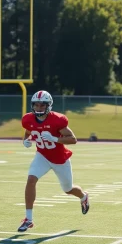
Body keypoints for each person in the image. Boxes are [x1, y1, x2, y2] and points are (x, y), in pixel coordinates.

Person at [18, 90, 89, 232]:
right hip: (42, 156)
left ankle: (83, 196)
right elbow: (28, 132)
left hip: (60, 159)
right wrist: (26, 141)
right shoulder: (28, 119)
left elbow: (73, 139)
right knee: (31, 179)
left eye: (42, 105)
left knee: (68, 189)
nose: (38, 108)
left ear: (48, 105)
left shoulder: (57, 120)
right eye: (36, 105)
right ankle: (28, 219)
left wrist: (55, 138)